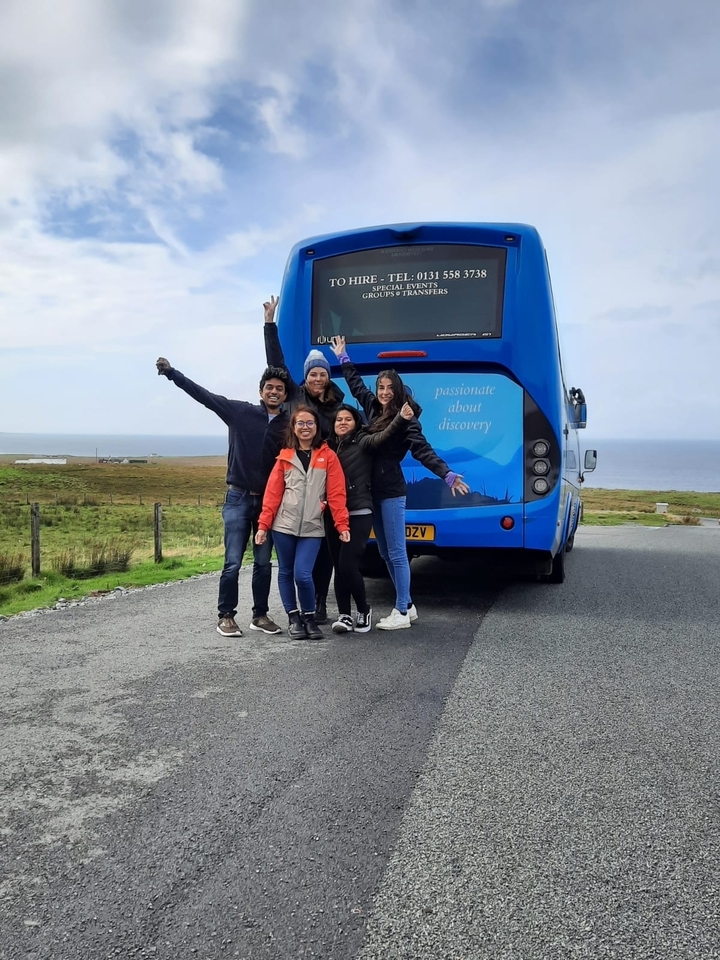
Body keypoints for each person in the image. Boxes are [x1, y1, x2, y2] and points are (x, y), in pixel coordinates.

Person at [329, 335, 471, 631]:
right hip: (372, 492)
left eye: (389, 388)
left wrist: (446, 474)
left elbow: (423, 450)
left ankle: (401, 611)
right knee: (384, 553)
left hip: (392, 492)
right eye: (380, 387)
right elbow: (356, 385)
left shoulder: (407, 418)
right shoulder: (371, 408)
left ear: (398, 391)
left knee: (396, 552)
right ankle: (407, 604)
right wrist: (343, 357)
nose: (383, 392)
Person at [156, 356, 289, 638]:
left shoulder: (288, 425)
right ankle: (226, 616)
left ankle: (260, 615)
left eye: (279, 388)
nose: (274, 391)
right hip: (238, 499)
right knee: (233, 562)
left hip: (268, 503)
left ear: (285, 394)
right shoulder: (239, 412)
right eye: (269, 387)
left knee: (264, 563)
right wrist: (172, 374)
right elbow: (203, 395)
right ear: (261, 391)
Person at [263, 295, 346, 624]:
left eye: (321, 374)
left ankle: (320, 604)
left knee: (323, 546)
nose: (316, 378)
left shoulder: (337, 402)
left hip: (325, 476)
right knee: (298, 551)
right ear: (306, 377)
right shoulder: (295, 396)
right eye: (312, 374)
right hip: (299, 476)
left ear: (327, 377)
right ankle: (300, 608)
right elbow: (278, 364)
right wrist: (270, 325)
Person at [255, 405, 350, 640]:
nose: (305, 427)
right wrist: (263, 526)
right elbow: (273, 494)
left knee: (303, 575)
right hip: (283, 526)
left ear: (317, 427)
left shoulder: (328, 456)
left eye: (310, 423)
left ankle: (309, 617)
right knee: (286, 572)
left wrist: (342, 525)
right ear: (293, 427)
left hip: (312, 527)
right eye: (300, 423)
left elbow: (336, 493)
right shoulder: (284, 457)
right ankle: (294, 619)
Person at [326, 402, 414, 635]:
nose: (342, 423)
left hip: (359, 510)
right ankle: (344, 615)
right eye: (338, 419)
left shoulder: (363, 441)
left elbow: (381, 438)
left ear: (356, 423)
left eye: (347, 419)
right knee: (339, 566)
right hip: (334, 514)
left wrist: (401, 419)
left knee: (348, 563)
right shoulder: (327, 447)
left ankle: (364, 610)